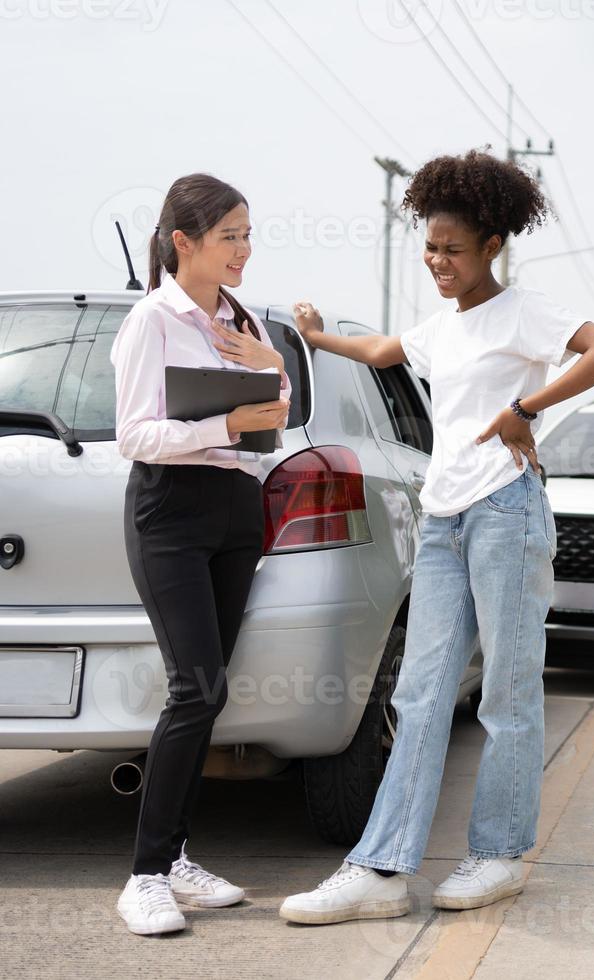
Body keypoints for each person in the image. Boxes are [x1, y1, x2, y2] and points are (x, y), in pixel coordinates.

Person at [280, 149, 594, 925]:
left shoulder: (526, 310)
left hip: (506, 509)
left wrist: (528, 409)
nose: (439, 262)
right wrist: (312, 335)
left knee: (507, 690)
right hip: (442, 520)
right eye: (431, 249)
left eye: (454, 250)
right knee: (421, 690)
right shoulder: (443, 325)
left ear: (493, 245)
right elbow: (381, 352)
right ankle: (380, 869)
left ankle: (499, 854)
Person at [111, 174, 293, 935]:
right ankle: (146, 876)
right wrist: (225, 426)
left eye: (249, 234)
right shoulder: (153, 319)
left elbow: (277, 413)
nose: (245, 249)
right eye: (231, 235)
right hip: (171, 509)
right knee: (193, 689)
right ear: (183, 243)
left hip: (235, 508)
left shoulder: (239, 313)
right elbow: (134, 435)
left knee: (211, 689)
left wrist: (273, 360)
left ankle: (177, 857)